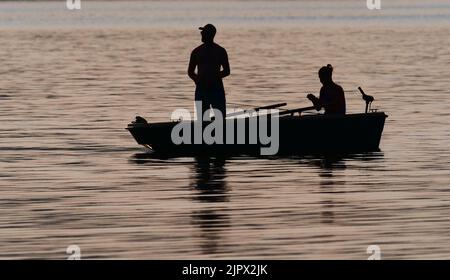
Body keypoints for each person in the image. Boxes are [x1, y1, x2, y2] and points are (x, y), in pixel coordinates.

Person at [188, 24, 230, 120]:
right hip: (201, 89)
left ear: (210, 35)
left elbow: (227, 71)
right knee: (202, 119)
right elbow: (190, 72)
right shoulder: (196, 51)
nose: (201, 33)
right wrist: (197, 79)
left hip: (216, 89)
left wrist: (213, 77)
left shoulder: (220, 51)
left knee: (220, 118)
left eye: (203, 32)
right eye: (202, 32)